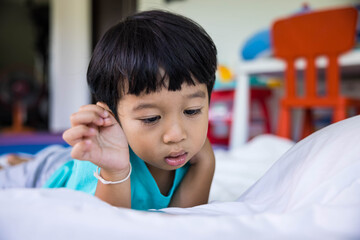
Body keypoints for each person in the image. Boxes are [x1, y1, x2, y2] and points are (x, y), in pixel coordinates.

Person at [43, 10, 217, 210]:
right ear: (110, 117)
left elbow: (179, 223)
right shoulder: (99, 161)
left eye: (192, 111)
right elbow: (104, 228)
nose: (176, 135)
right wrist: (115, 173)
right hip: (51, 171)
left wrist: (206, 164)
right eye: (151, 118)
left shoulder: (198, 154)